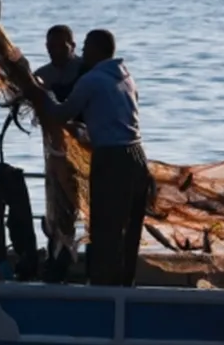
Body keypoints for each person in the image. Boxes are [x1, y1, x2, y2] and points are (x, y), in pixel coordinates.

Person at [19, 29, 152, 287]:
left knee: (104, 230)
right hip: (138, 157)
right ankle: (126, 286)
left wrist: (41, 95)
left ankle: (105, 291)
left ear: (98, 50)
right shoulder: (126, 77)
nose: (83, 53)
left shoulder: (91, 79)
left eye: (87, 48)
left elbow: (60, 114)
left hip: (112, 158)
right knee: (130, 231)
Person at [32, 25, 85, 282]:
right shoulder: (42, 76)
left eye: (60, 46)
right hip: (55, 153)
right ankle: (59, 254)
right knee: (58, 205)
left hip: (86, 151)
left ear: (72, 46)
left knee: (81, 205)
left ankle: (75, 255)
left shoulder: (86, 71)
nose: (54, 51)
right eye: (49, 46)